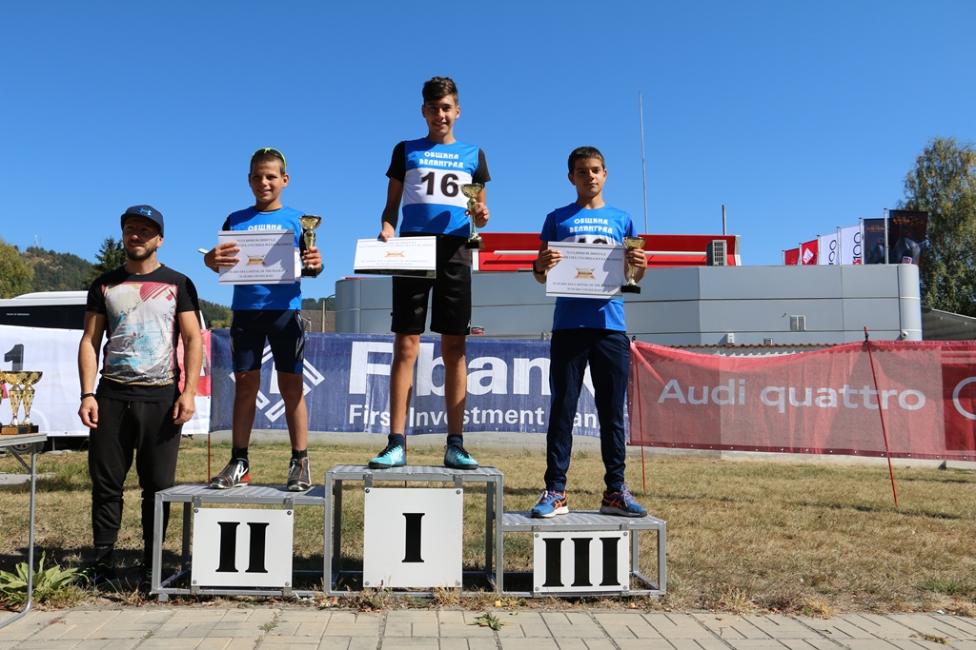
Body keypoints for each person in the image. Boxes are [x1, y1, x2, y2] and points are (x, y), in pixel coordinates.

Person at [367, 76, 491, 470]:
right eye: (434, 108)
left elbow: (479, 212)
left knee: (454, 348)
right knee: (406, 345)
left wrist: (482, 215)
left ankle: (455, 443)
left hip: (456, 250)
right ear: (424, 111)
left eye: (447, 108)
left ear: (458, 111)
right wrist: (387, 228)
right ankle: (396, 442)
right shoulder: (405, 150)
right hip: (413, 249)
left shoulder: (474, 154)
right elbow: (391, 207)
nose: (441, 114)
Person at [78, 205, 203, 590]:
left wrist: (188, 392)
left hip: (161, 398)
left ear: (159, 239)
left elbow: (193, 338)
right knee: (106, 485)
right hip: (112, 396)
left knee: (158, 487)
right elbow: (90, 341)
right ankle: (102, 564)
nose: (137, 235)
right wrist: (87, 394)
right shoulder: (104, 284)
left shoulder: (179, 283)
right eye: (131, 228)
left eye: (145, 230)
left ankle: (152, 565)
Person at [529, 146, 648, 518]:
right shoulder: (557, 219)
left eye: (595, 170)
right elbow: (540, 275)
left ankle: (615, 491)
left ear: (605, 174)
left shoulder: (622, 219)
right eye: (582, 171)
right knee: (562, 410)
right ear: (571, 177)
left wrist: (640, 265)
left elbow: (632, 277)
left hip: (610, 326)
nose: (590, 176)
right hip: (568, 326)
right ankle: (555, 490)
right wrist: (540, 264)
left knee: (612, 413)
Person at [204, 147, 322, 490]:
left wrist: (316, 263)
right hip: (246, 312)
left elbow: (312, 265)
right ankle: (239, 461)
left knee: (291, 387)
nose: (264, 182)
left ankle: (300, 461)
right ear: (249, 180)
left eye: (271, 176)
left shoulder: (299, 220)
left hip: (285, 312)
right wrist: (211, 260)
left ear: (285, 180)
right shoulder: (235, 219)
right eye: (257, 176)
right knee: (245, 386)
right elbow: (219, 262)